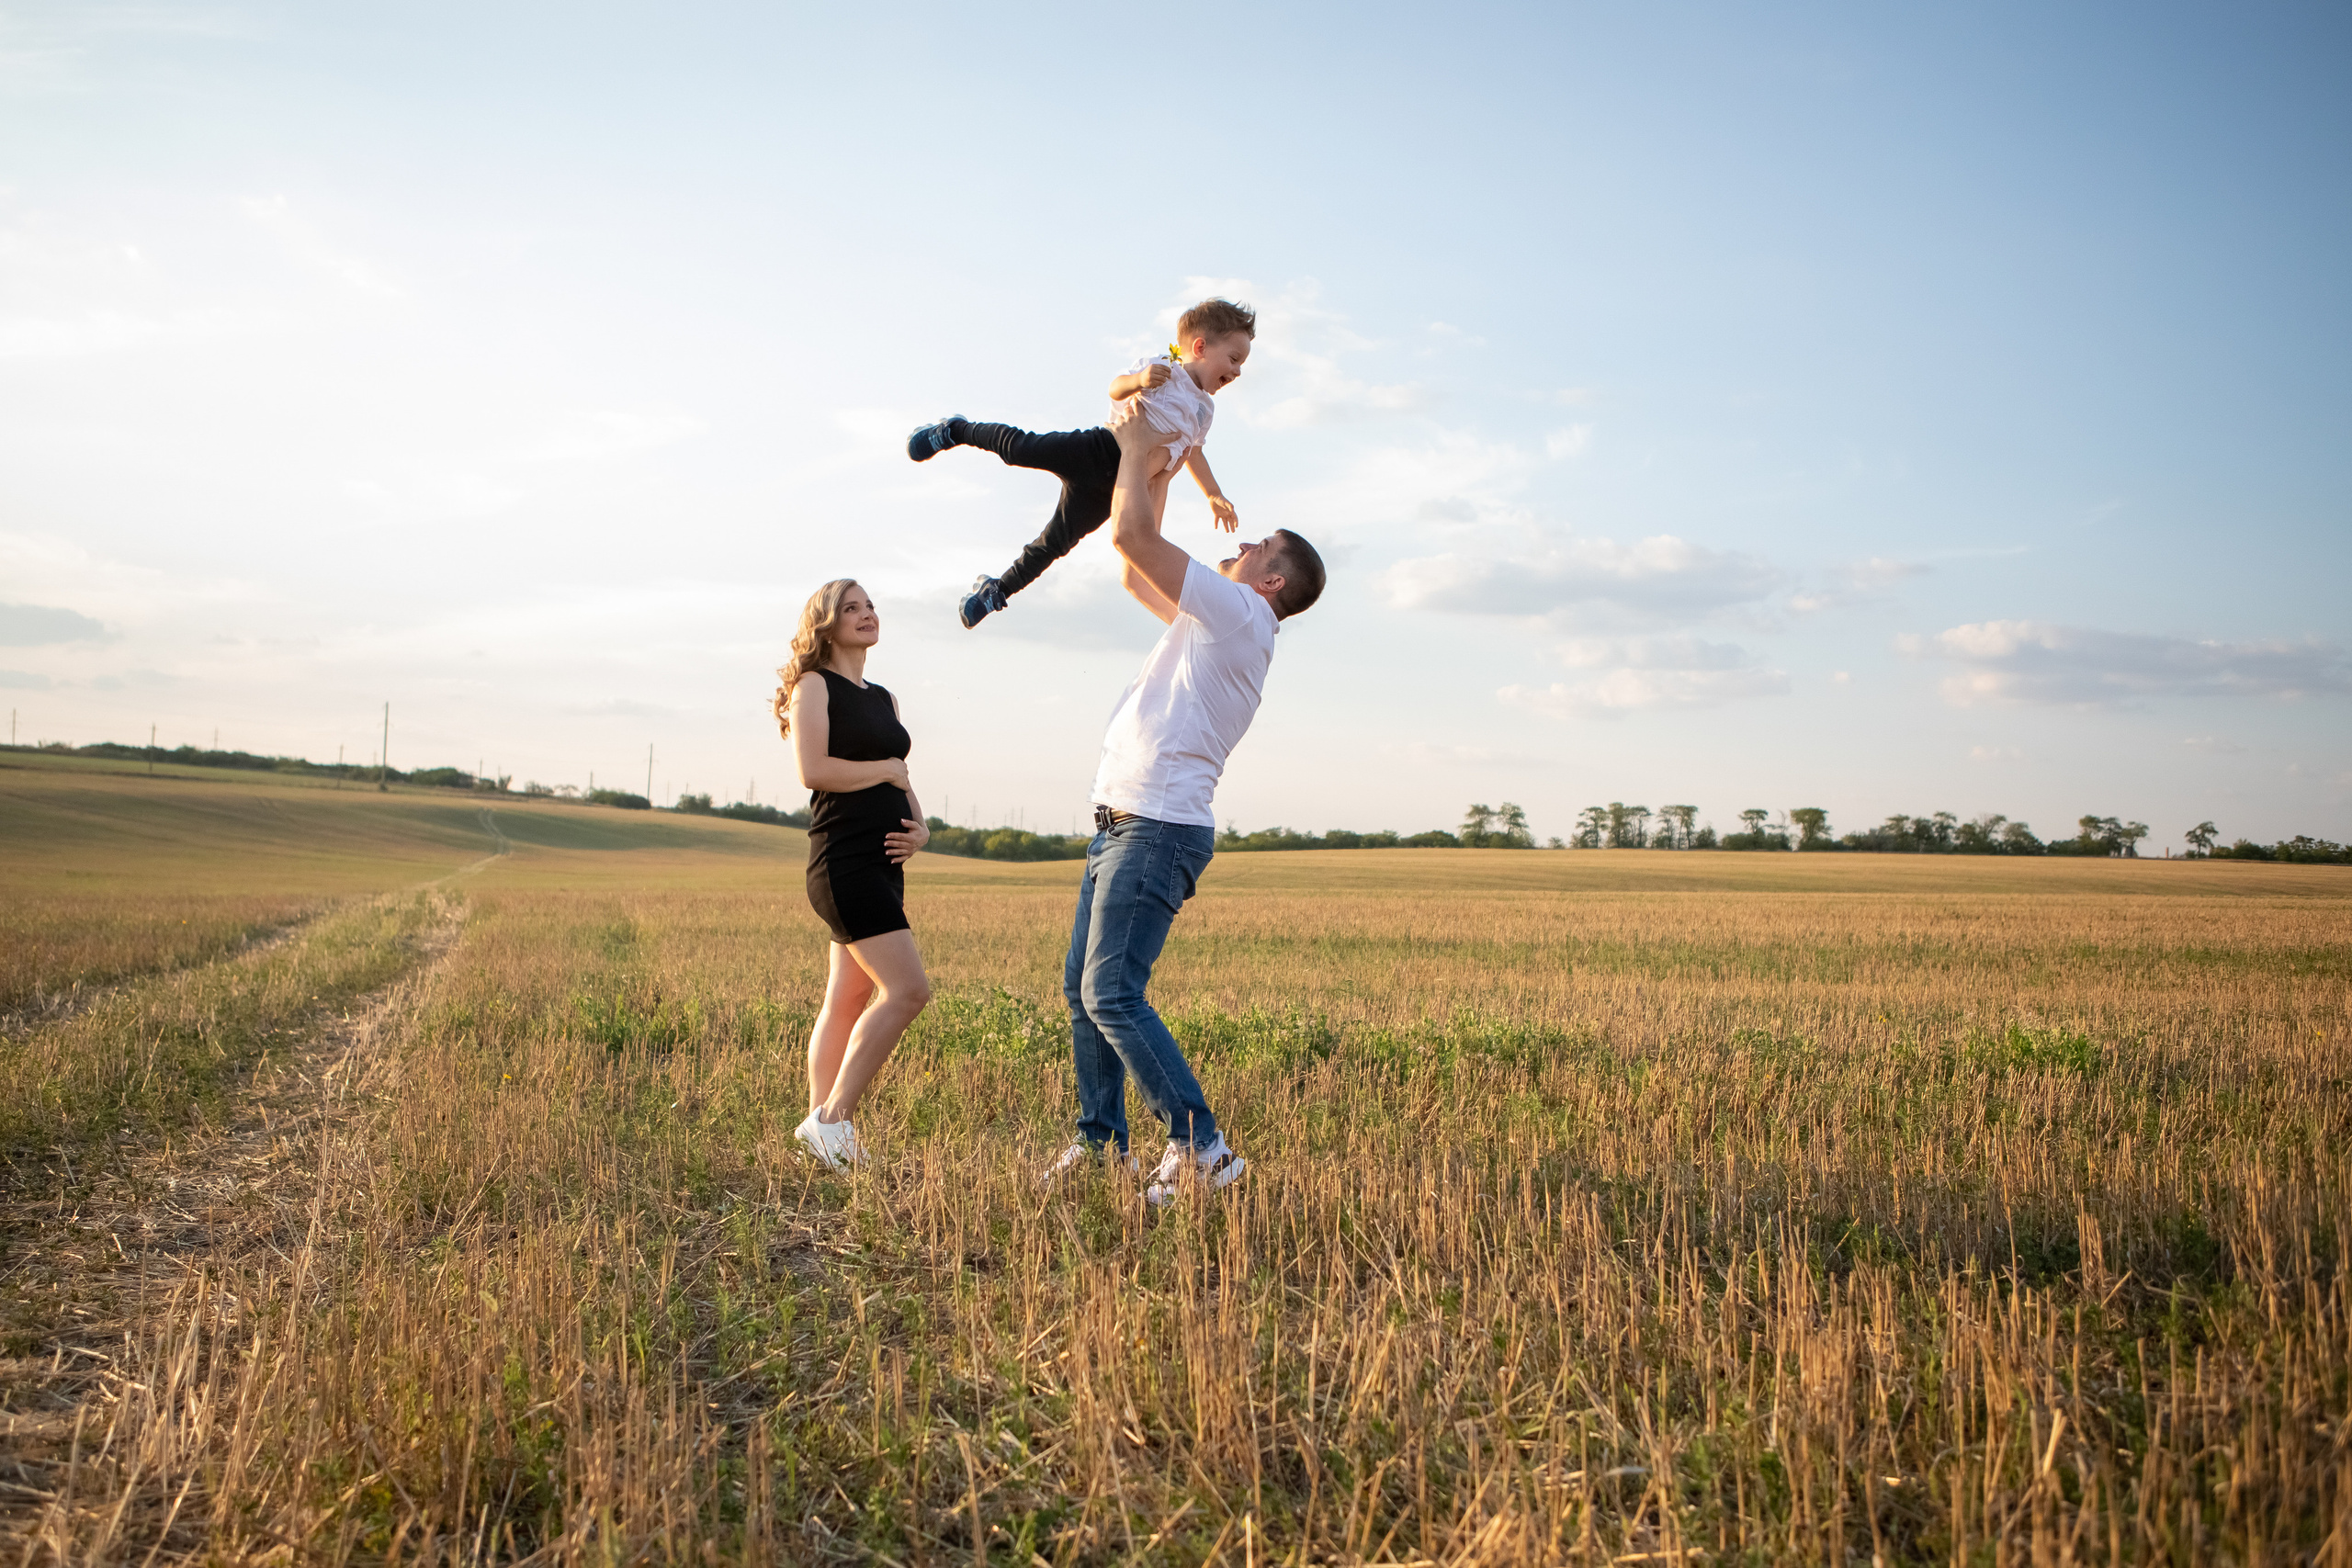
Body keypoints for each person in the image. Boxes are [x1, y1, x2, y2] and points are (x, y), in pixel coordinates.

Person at [1042, 407, 1327, 1206]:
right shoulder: (1216, 622)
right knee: (1085, 991)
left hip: (1157, 827)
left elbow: (1134, 543)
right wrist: (1156, 475)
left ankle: (1202, 1144)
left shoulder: (1240, 614)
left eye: (1253, 548)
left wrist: (1137, 449)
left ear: (1271, 581)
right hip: (1124, 820)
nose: (1236, 548)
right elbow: (1133, 566)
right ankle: (1101, 1144)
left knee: (1112, 993)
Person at [905, 298, 1256, 629]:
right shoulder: (1164, 368)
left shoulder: (1204, 411)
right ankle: (954, 430)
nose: (1238, 371)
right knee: (1019, 448)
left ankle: (998, 591)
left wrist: (1213, 494)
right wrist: (1139, 381)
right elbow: (1116, 388)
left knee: (1057, 541)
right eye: (1234, 358)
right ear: (1200, 348)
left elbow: (1194, 452)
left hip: (1119, 488)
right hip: (1097, 449)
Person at [771, 579, 933, 1169]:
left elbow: (901, 777)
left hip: (885, 863)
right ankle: (833, 1120)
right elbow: (813, 770)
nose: (867, 615)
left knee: (849, 995)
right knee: (909, 991)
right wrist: (887, 768)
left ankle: (821, 1134)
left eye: (870, 606)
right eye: (851, 608)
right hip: (844, 862)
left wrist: (920, 827)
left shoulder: (884, 698)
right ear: (826, 624)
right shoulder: (813, 686)